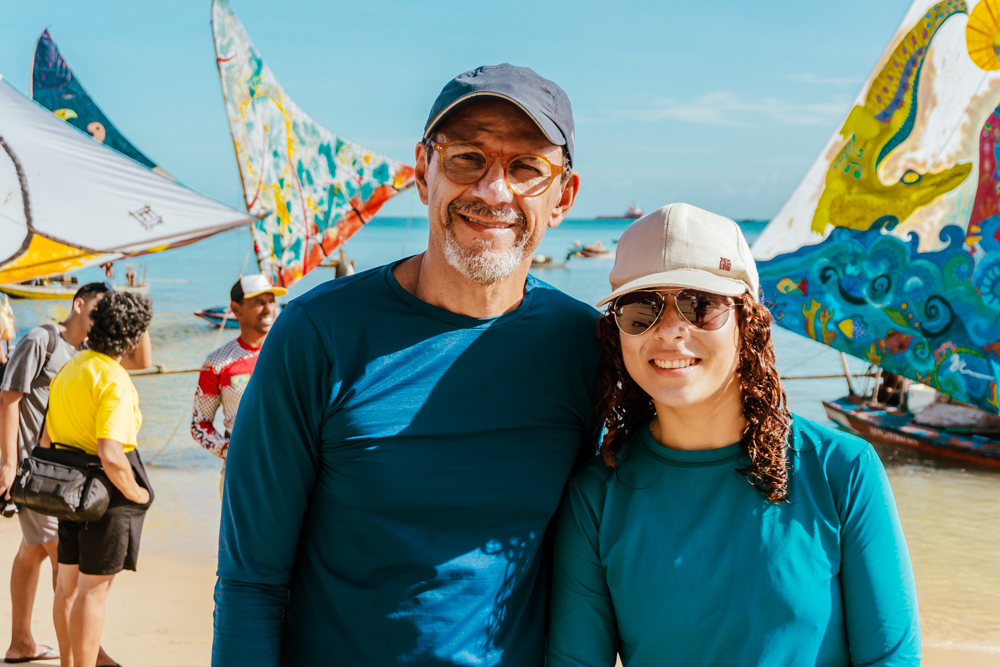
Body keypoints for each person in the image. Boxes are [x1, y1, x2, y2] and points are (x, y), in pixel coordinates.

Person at [213, 64, 596, 665]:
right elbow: (250, 580)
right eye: (467, 157)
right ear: (424, 171)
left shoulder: (587, 346)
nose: (494, 190)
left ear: (563, 198)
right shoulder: (316, 335)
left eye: (527, 168)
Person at [546, 204, 920, 666]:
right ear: (617, 332)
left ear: (749, 322)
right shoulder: (595, 499)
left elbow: (892, 658)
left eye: (700, 305)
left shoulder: (842, 470)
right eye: (641, 309)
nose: (669, 332)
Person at [0, 282, 122, 666]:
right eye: (95, 311)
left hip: (65, 476)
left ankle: (21, 642)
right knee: (64, 563)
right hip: (36, 473)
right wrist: (7, 464)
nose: (98, 321)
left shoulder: (86, 352)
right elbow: (8, 398)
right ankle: (91, 654)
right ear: (78, 304)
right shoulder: (41, 339)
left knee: (33, 550)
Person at [43, 291, 154, 667]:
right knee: (93, 593)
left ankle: (68, 663)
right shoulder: (114, 380)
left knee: (68, 586)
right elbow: (110, 452)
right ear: (133, 337)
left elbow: (46, 440)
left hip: (67, 488)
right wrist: (137, 493)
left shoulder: (70, 368)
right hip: (104, 493)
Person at [191, 275, 285, 492]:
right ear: (235, 309)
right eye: (258, 302)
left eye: (271, 301)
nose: (268, 308)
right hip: (241, 473)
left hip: (292, 468)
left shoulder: (291, 354)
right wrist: (230, 451)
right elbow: (199, 424)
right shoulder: (217, 363)